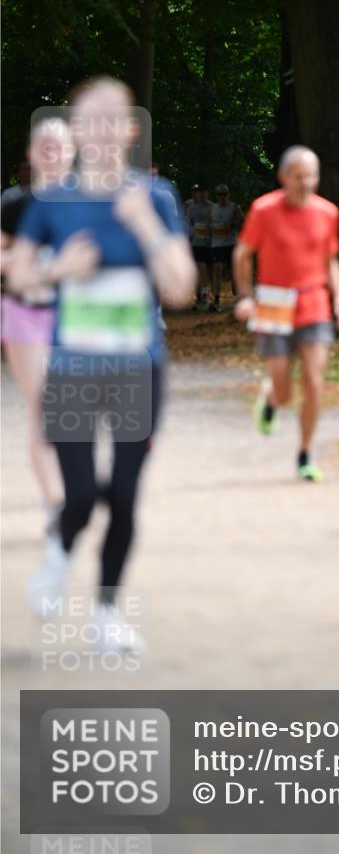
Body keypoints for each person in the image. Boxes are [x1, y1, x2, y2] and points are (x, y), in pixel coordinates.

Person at [9, 76, 196, 649]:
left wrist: (143, 225)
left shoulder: (155, 199)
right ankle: (59, 554)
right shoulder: (50, 202)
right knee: (83, 494)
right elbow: (17, 274)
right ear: (78, 129)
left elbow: (183, 286)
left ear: (129, 130)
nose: (101, 130)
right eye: (89, 120)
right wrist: (56, 269)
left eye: (112, 120)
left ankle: (108, 613)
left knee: (125, 495)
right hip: (71, 369)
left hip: (138, 368)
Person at [233, 145, 339, 481]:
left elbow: (330, 260)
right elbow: (243, 255)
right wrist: (245, 297)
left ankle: (305, 454)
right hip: (273, 302)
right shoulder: (264, 210)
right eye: (299, 176)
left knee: (315, 382)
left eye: (311, 175)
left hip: (313, 302)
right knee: (285, 390)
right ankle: (272, 400)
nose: (306, 183)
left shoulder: (327, 212)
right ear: (283, 177)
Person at [1, 119, 75, 520]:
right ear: (31, 154)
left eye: (58, 144)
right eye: (43, 144)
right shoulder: (14, 204)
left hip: (75, 318)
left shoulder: (88, 204)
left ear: (72, 153)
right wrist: (29, 262)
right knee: (44, 410)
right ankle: (55, 503)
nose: (50, 150)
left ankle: (68, 490)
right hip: (26, 315)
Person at [210, 184, 243, 310]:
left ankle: (237, 298)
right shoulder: (212, 208)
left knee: (234, 272)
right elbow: (208, 224)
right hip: (217, 244)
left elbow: (243, 223)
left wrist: (233, 224)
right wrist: (212, 228)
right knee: (217, 270)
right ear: (217, 195)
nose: (222, 197)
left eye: (224, 194)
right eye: (220, 194)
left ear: (228, 194)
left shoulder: (234, 207)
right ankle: (216, 300)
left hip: (231, 243)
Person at [184, 184, 213, 310]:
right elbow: (188, 222)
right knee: (198, 267)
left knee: (207, 269)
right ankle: (200, 294)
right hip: (194, 241)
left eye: (202, 192)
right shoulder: (190, 206)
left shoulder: (211, 207)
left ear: (207, 193)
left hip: (209, 241)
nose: (199, 194)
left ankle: (206, 292)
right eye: (196, 192)